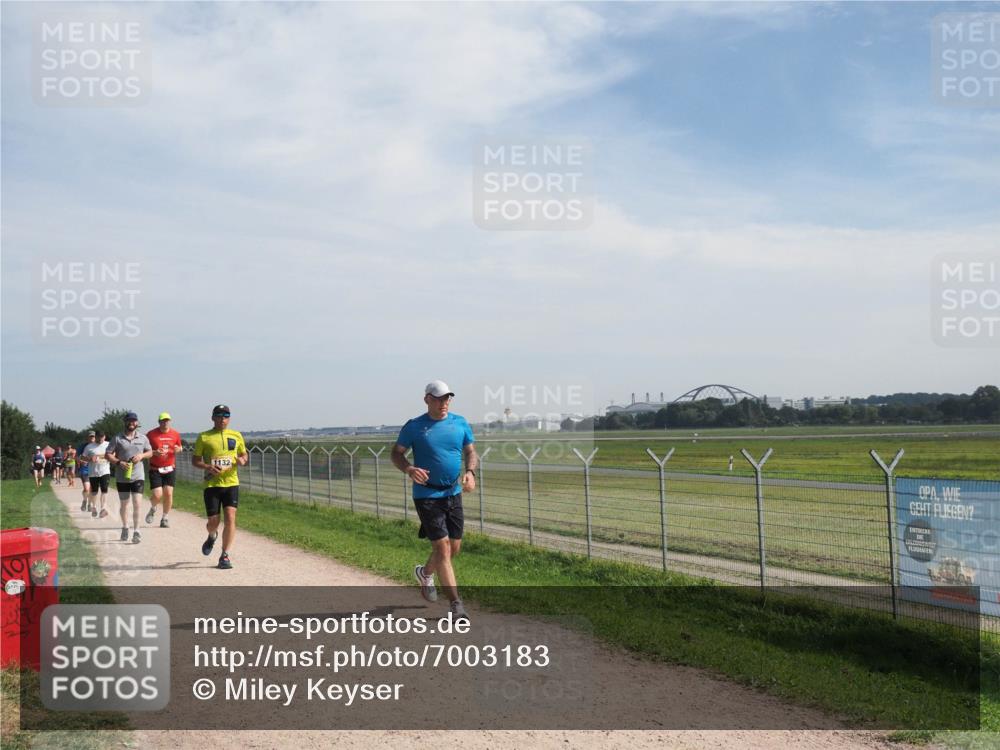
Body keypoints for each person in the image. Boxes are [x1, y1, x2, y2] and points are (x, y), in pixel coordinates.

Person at [391, 380, 477, 623]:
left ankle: (425, 572)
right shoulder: (414, 427)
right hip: (426, 495)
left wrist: (470, 472)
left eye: (448, 398)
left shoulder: (459, 422)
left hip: (453, 492)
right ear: (427, 399)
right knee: (443, 548)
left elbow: (470, 451)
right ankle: (456, 606)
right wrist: (409, 469)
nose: (444, 403)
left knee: (454, 548)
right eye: (439, 399)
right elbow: (396, 453)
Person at [191, 405, 248, 570]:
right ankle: (211, 535)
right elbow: (195, 460)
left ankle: (225, 555)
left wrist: (243, 459)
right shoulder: (204, 437)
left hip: (231, 483)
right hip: (212, 484)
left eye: (226, 416)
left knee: (230, 517)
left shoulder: (236, 435)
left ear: (229, 418)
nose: (222, 419)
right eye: (219, 416)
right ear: (213, 418)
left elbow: (244, 454)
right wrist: (208, 467)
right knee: (213, 522)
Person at [106, 412, 153, 544]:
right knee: (124, 505)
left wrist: (141, 456)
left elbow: (150, 452)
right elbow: (108, 454)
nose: (132, 423)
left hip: (138, 476)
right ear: (125, 422)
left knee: (137, 503)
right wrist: (118, 462)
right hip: (122, 477)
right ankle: (125, 527)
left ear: (137, 423)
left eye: (134, 421)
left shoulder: (143, 438)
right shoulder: (117, 438)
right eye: (129, 421)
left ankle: (137, 531)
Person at [145, 412, 183, 528]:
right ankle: (153, 508)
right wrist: (155, 452)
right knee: (157, 495)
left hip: (170, 467)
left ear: (169, 421)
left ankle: (165, 518)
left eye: (167, 420)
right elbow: (145, 450)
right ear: (159, 422)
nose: (165, 422)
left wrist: (179, 449)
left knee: (169, 493)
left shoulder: (175, 434)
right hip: (155, 468)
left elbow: (180, 447)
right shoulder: (151, 434)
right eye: (162, 421)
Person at [85, 432, 111, 517]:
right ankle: (94, 507)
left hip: (105, 471)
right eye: (98, 437)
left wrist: (112, 456)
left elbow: (114, 453)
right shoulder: (89, 446)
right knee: (94, 492)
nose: (100, 439)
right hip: (93, 472)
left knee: (104, 490)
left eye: (102, 437)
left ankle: (103, 509)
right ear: (95, 437)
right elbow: (82, 457)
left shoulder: (109, 444)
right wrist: (89, 458)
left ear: (104, 436)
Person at [77, 432, 96, 510]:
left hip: (95, 470)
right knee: (87, 489)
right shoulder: (82, 446)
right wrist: (81, 461)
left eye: (93, 437)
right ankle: (85, 500)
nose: (92, 438)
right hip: (85, 470)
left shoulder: (97, 446)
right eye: (90, 437)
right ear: (87, 438)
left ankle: (89, 504)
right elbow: (77, 457)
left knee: (92, 489)